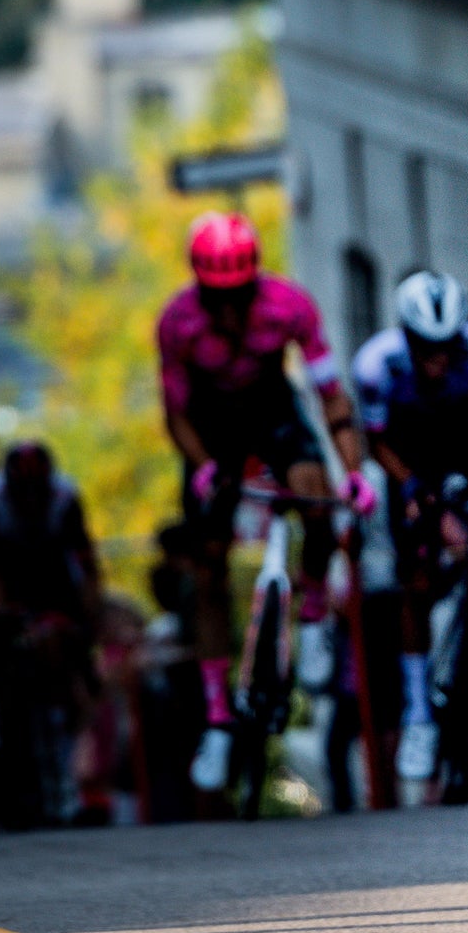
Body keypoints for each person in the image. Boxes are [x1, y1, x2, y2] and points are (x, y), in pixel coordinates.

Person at [156, 211, 374, 793]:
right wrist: (203, 467)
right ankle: (217, 714)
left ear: (255, 283)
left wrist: (353, 473)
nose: (229, 310)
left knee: (319, 498)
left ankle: (312, 612)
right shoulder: (177, 324)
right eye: (216, 297)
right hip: (210, 426)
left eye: (240, 295)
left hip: (272, 410)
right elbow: (176, 413)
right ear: (199, 287)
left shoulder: (289, 306)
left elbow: (330, 396)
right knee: (207, 565)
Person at [353, 269, 468, 796]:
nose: (438, 358)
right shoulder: (378, 365)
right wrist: (418, 493)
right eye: (427, 347)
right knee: (417, 582)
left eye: (447, 346)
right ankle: (419, 710)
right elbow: (376, 443)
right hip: (412, 457)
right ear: (407, 337)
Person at [0, 440, 102, 827]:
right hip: (2, 586)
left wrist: (90, 620)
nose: (29, 501)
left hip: (53, 587)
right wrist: (0, 616)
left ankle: (66, 768)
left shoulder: (64, 499)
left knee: (67, 658)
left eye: (35, 493)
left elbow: (86, 569)